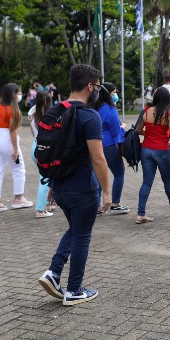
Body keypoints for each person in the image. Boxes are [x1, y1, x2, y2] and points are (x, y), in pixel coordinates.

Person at [38, 64, 112, 306]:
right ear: (90, 86)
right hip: (82, 189)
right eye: (98, 85)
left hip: (59, 187)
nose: (98, 90)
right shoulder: (89, 115)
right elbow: (98, 158)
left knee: (75, 231)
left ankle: (53, 272)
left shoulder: (55, 111)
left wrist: (51, 187)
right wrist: (107, 192)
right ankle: (74, 290)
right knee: (82, 237)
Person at [135, 87, 170, 224]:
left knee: (146, 182)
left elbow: (138, 130)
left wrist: (150, 133)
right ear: (167, 99)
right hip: (162, 151)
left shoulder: (146, 111)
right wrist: (164, 134)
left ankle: (140, 213)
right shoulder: (169, 114)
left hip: (146, 150)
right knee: (168, 182)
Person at [0, 83, 31, 213]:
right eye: (19, 93)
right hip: (7, 140)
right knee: (18, 168)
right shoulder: (13, 110)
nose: (20, 95)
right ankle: (18, 198)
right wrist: (16, 149)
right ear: (13, 94)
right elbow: (12, 131)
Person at [95, 82, 129, 215]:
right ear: (107, 94)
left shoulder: (94, 107)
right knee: (119, 173)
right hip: (109, 146)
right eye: (114, 93)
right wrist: (122, 127)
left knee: (98, 176)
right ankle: (115, 203)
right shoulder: (110, 109)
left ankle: (96, 206)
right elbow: (115, 132)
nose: (116, 95)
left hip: (95, 145)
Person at [29, 93, 55, 218]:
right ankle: (40, 209)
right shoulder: (50, 118)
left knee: (49, 176)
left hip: (35, 147)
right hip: (45, 149)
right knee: (45, 179)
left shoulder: (34, 118)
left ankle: (48, 203)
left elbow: (33, 134)